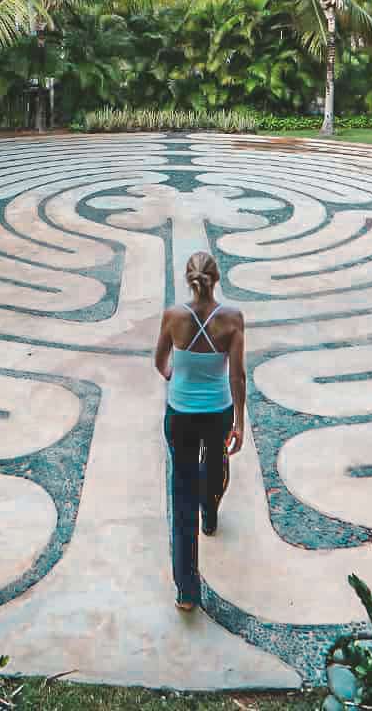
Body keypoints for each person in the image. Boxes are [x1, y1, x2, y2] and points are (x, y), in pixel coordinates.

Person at [155, 251, 246, 612]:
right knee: (216, 465)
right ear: (217, 278)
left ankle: (187, 592)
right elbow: (237, 375)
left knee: (182, 494)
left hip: (180, 414)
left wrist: (171, 376)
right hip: (218, 411)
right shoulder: (232, 319)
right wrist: (239, 420)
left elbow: (159, 359)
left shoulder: (173, 316)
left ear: (188, 279)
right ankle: (210, 512)